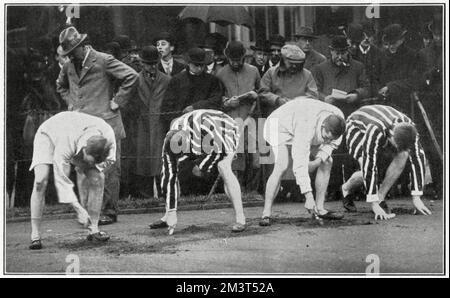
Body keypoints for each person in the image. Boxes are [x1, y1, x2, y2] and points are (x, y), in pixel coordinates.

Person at [56, 26, 139, 226]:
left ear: (82, 46)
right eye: (67, 53)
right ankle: (89, 212)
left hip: (105, 125)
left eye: (72, 51)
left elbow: (132, 76)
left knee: (108, 169)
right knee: (84, 169)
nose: (69, 56)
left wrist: (117, 101)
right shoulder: (69, 66)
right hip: (81, 128)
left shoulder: (103, 60)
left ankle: (109, 212)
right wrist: (70, 102)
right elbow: (60, 85)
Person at [149, 108, 250, 235]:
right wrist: (171, 211)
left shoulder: (207, 127)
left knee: (223, 167)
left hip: (223, 128)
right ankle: (168, 215)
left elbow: (215, 153)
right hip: (197, 135)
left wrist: (202, 167)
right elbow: (169, 176)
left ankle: (241, 218)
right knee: (172, 170)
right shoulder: (169, 142)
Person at [28, 111, 116, 249]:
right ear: (84, 150)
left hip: (76, 139)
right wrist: (79, 209)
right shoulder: (67, 141)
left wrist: (90, 167)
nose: (89, 166)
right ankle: (35, 235)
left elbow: (108, 163)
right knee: (40, 180)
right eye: (88, 162)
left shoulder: (108, 136)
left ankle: (94, 229)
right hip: (49, 134)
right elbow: (61, 178)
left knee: (98, 178)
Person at [259, 97, 346, 226]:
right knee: (282, 165)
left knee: (327, 161)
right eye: (326, 138)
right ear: (322, 126)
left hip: (298, 121)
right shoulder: (306, 126)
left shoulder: (339, 118)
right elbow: (299, 163)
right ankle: (266, 214)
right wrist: (308, 197)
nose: (327, 141)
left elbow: (331, 144)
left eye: (330, 139)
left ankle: (320, 208)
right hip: (277, 125)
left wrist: (317, 161)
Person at [340, 105, 431, 219]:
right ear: (392, 136)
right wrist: (373, 204)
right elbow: (369, 163)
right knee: (365, 164)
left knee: (403, 154)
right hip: (357, 128)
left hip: (384, 130)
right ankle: (346, 188)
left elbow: (418, 157)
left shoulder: (411, 129)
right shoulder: (375, 129)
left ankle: (381, 197)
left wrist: (416, 197)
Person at [216, 41, 261, 191]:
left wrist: (255, 97)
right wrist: (227, 103)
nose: (235, 63)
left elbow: (261, 94)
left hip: (251, 120)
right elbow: (216, 98)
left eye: (239, 60)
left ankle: (252, 191)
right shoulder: (221, 73)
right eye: (232, 60)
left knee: (254, 159)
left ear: (244, 57)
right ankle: (237, 190)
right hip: (230, 121)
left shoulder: (253, 71)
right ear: (227, 57)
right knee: (235, 159)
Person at [133, 46, 171, 197]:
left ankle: (164, 194)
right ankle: (145, 195)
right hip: (141, 125)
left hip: (159, 125)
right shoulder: (135, 79)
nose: (152, 66)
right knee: (142, 160)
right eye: (148, 63)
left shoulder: (167, 80)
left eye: (155, 63)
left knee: (160, 160)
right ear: (142, 63)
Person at [160, 47, 223, 131]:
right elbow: (167, 106)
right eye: (196, 65)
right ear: (189, 63)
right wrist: (174, 120)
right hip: (182, 126)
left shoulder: (212, 80)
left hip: (206, 126)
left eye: (202, 65)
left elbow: (216, 100)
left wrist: (196, 106)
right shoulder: (177, 80)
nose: (200, 68)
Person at [415, 17, 443, 199]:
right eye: (436, 34)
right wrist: (431, 74)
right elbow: (418, 78)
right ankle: (440, 185)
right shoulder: (424, 54)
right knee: (434, 144)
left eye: (442, 34)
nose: (439, 38)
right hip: (433, 105)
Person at [312, 35, 370, 117]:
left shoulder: (358, 67)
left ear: (347, 51)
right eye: (337, 53)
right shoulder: (320, 69)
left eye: (343, 53)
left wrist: (357, 95)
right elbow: (314, 91)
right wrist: (324, 98)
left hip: (352, 112)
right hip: (328, 112)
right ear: (331, 51)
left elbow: (367, 88)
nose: (340, 57)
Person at [260, 44, 318, 117]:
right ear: (283, 61)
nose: (294, 66)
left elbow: (313, 95)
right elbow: (263, 93)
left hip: (299, 115)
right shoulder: (272, 72)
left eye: (297, 64)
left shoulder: (307, 75)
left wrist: (298, 102)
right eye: (291, 63)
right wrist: (277, 100)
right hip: (276, 114)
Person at [378, 24, 418, 114]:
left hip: (405, 104)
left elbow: (414, 81)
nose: (391, 46)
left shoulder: (412, 56)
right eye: (388, 43)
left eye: (393, 43)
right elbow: (376, 77)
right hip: (385, 104)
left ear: (402, 40)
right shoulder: (383, 55)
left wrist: (390, 87)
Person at [347, 23, 384, 97]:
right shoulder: (351, 52)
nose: (366, 38)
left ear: (373, 37)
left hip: (374, 93)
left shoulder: (379, 53)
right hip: (354, 93)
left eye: (369, 36)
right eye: (364, 36)